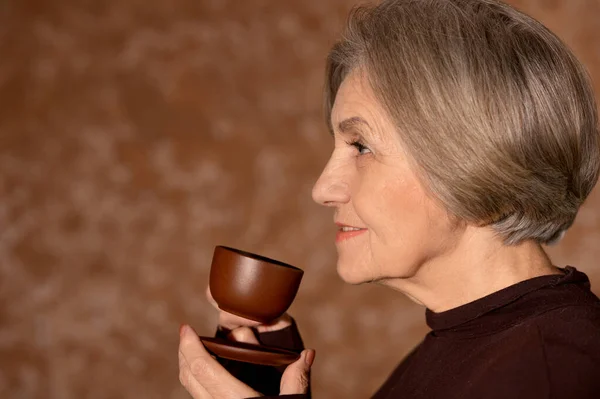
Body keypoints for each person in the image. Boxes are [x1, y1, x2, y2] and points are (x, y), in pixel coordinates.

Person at [177, 0, 600, 397]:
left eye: (360, 146)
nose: (323, 189)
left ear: (478, 160)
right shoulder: (471, 343)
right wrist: (267, 370)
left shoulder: (551, 368)